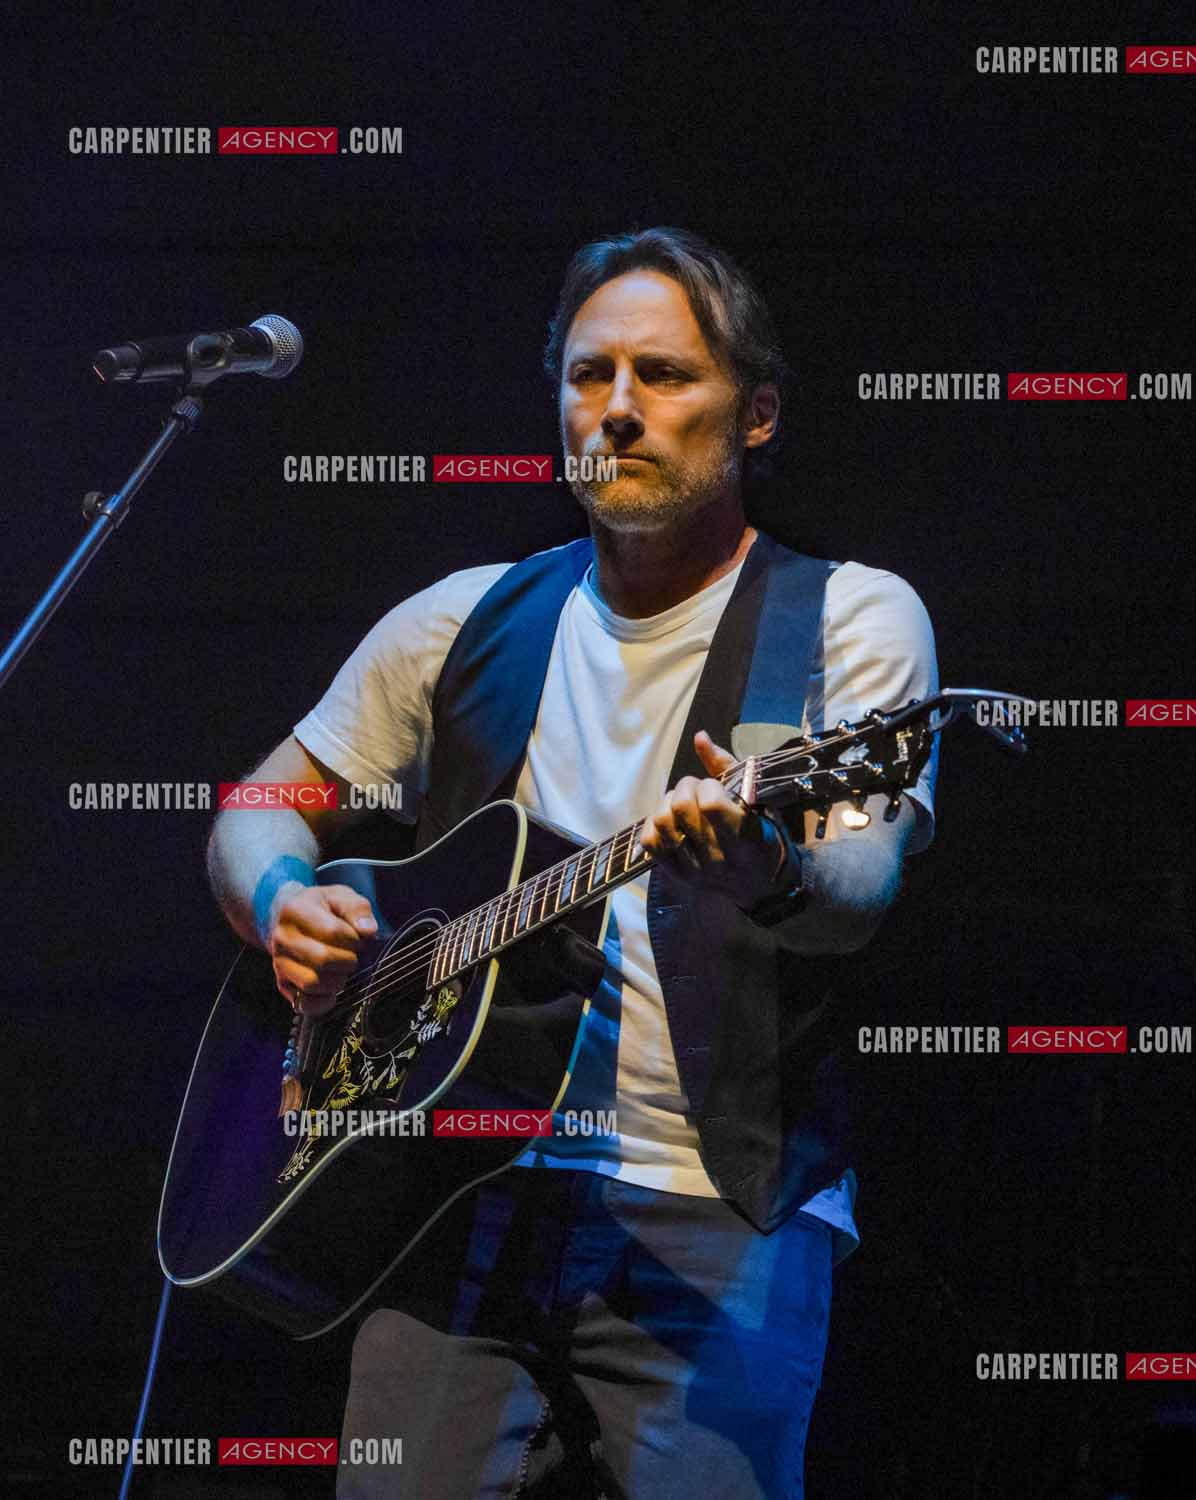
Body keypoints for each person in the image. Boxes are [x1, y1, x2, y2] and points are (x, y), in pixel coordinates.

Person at [204, 226, 939, 1497]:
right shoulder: (461, 615)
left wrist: (761, 856)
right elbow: (257, 809)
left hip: (712, 1221)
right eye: (589, 376)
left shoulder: (848, 617)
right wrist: (281, 899)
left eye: (663, 377)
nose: (617, 409)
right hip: (443, 1197)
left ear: (755, 414)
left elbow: (861, 885)